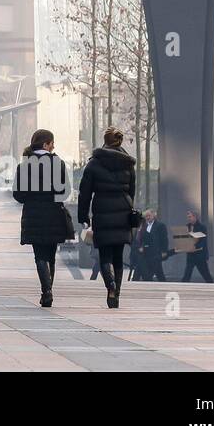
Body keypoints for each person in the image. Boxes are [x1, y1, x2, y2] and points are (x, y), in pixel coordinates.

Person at [12, 128, 74, 307]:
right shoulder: (58, 164)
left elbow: (18, 194)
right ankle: (48, 290)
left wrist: (31, 199)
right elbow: (65, 191)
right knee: (51, 254)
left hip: (33, 215)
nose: (54, 146)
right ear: (46, 144)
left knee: (39, 254)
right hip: (54, 214)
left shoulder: (24, 165)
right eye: (52, 143)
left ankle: (46, 291)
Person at [77, 128, 137, 309]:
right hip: (123, 213)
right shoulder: (128, 164)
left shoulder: (94, 164)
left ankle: (110, 285)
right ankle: (116, 293)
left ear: (105, 141)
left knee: (105, 256)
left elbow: (84, 193)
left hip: (102, 213)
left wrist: (83, 216)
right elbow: (132, 190)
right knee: (118, 257)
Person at [134, 209, 169, 281]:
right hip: (146, 252)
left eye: (149, 215)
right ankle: (146, 280)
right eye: (146, 216)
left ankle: (157, 281)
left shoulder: (160, 225)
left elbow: (164, 239)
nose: (147, 217)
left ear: (154, 215)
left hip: (156, 251)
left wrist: (164, 251)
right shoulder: (144, 226)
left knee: (157, 270)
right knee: (153, 270)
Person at [180, 210, 214, 283]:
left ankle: (212, 285)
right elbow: (184, 239)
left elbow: (203, 241)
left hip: (200, 255)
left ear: (195, 217)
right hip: (190, 255)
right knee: (187, 274)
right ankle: (183, 286)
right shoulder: (187, 227)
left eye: (190, 217)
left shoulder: (202, 227)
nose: (188, 218)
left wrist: (195, 247)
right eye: (188, 217)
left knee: (206, 274)